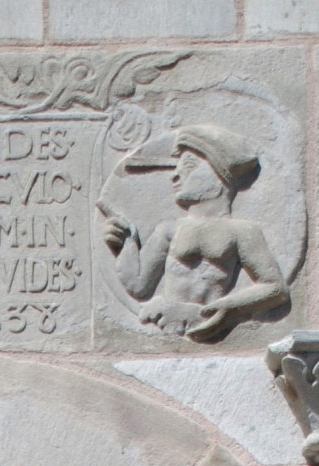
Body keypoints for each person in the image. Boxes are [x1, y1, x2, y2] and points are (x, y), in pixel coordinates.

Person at [98, 122, 289, 341]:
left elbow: (275, 288)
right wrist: (126, 244)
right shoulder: (169, 230)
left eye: (188, 165)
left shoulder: (243, 232)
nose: (176, 175)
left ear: (218, 173)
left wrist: (226, 308)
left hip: (208, 323)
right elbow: (139, 286)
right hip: (166, 323)